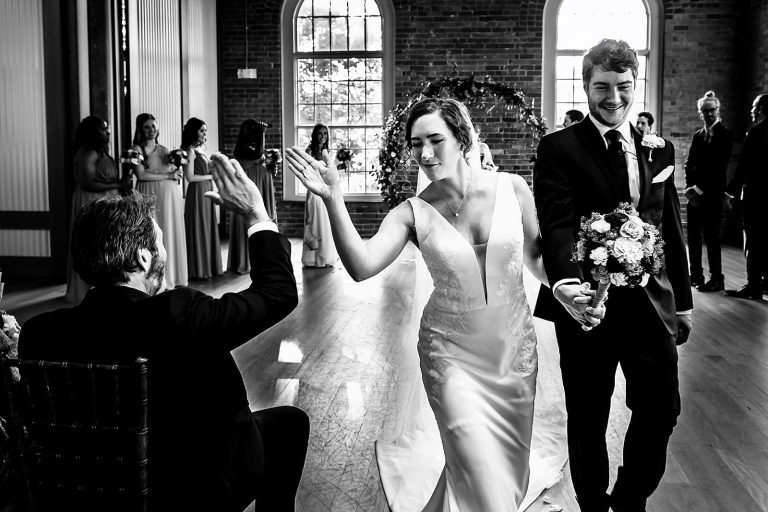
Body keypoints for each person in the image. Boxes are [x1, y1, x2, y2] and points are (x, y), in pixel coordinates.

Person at [285, 97, 604, 511]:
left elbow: (536, 259)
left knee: (504, 476)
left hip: (514, 354)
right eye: (416, 144)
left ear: (463, 137)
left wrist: (561, 289)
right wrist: (333, 200)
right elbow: (362, 267)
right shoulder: (410, 213)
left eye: (436, 139)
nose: (426, 153)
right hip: (449, 354)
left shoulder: (513, 188)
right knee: (478, 471)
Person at [19, 154, 309, 511]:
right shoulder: (178, 315)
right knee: (290, 424)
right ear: (143, 258)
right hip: (190, 489)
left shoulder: (38, 333)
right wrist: (256, 214)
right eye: (159, 243)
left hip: (92, 489)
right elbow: (278, 292)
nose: (164, 252)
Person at [533, 39, 693, 512]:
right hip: (589, 306)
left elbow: (671, 226)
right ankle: (591, 505)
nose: (614, 98)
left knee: (662, 410)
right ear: (586, 86)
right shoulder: (558, 148)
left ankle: (627, 499)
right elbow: (558, 226)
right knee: (587, 415)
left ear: (634, 84)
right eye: (602, 87)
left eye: (624, 86)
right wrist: (565, 286)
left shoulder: (659, 148)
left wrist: (681, 302)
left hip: (649, 303)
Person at [65, 116, 129, 304]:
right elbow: (88, 182)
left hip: (104, 200)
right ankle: (86, 291)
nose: (108, 132)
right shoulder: (87, 152)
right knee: (92, 244)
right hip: (91, 202)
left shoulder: (101, 151)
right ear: (92, 132)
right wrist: (118, 183)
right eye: (103, 129)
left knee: (105, 245)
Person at [683, 91, 734, 292]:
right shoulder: (698, 135)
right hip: (694, 197)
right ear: (700, 113)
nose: (708, 114)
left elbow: (718, 168)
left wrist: (697, 190)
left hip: (712, 196)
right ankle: (695, 275)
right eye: (704, 111)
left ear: (717, 110)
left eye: (712, 110)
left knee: (712, 239)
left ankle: (717, 278)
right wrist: (690, 190)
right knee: (693, 238)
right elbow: (689, 165)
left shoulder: (726, 135)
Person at [131, 113, 188, 288]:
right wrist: (168, 174)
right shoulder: (136, 150)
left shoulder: (164, 150)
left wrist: (177, 172)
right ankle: (152, 278)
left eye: (154, 126)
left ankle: (173, 275)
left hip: (168, 198)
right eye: (147, 127)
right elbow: (140, 174)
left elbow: (175, 170)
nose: (151, 130)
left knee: (168, 231)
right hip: (149, 195)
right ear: (140, 129)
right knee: (151, 234)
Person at [725, 93, 768, 299]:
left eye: (754, 106)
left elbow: (744, 168)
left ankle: (754, 285)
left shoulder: (756, 132)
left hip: (757, 196)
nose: (752, 110)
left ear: (760, 109)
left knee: (753, 240)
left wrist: (730, 191)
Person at [228, 119, 277, 274]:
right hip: (251, 184)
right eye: (254, 130)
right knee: (251, 218)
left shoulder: (253, 146)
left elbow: (259, 156)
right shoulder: (240, 147)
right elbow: (257, 155)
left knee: (263, 218)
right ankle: (246, 260)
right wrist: (263, 134)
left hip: (261, 183)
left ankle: (265, 257)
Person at [182, 117, 222, 279]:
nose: (205, 133)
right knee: (199, 225)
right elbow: (189, 177)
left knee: (207, 225)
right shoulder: (190, 151)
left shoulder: (201, 150)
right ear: (194, 132)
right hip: (197, 192)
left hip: (206, 190)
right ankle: (198, 269)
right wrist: (210, 177)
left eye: (205, 130)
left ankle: (209, 266)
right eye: (202, 130)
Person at [301, 123, 338, 268]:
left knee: (326, 222)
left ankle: (325, 257)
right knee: (314, 220)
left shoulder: (328, 151)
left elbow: (330, 172)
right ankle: (312, 258)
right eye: (320, 133)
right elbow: (306, 170)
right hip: (314, 190)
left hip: (325, 189)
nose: (323, 137)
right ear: (315, 135)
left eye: (325, 133)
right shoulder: (309, 151)